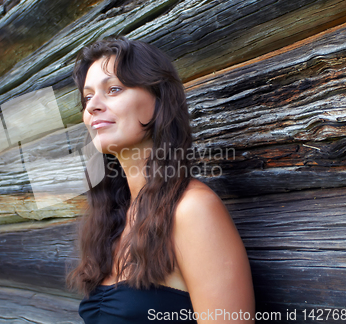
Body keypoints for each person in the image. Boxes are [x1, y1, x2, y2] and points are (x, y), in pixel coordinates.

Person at [65, 36, 255, 323]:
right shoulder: (114, 216)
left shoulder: (191, 210)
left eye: (113, 89)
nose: (93, 107)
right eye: (88, 97)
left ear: (159, 101)